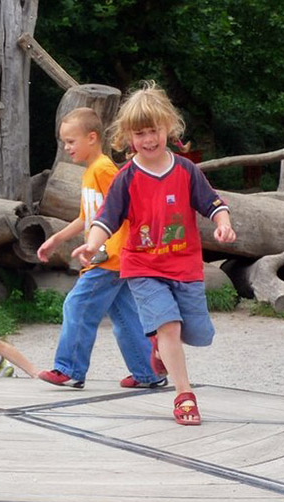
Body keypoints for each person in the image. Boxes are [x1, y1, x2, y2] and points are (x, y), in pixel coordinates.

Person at [72, 82, 237, 425]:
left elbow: (213, 203)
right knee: (169, 325)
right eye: (140, 133)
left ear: (169, 129)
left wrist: (223, 223)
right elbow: (107, 218)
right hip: (142, 265)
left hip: (184, 265)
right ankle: (184, 395)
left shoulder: (186, 171)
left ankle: (159, 348)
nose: (148, 139)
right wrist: (93, 243)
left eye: (154, 131)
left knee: (198, 335)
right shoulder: (126, 178)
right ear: (128, 137)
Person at [35, 107, 166, 390]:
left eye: (71, 141)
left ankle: (69, 369)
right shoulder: (90, 172)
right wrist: (56, 239)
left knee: (77, 305)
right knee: (124, 315)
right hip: (113, 257)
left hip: (111, 256)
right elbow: (88, 217)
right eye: (64, 142)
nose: (66, 147)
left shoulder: (104, 169)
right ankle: (148, 373)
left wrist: (109, 247)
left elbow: (122, 209)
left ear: (92, 137)